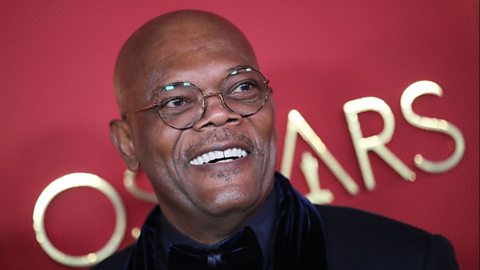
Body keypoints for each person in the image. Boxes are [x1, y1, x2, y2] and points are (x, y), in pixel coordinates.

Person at [94, 9, 458, 270]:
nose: (221, 112)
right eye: (176, 100)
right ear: (127, 142)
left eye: (242, 86)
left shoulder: (410, 258)